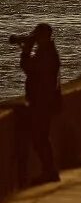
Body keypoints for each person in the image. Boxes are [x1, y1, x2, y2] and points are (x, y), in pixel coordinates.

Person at [18, 24, 61, 184]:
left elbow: (28, 68)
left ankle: (49, 171)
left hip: (42, 102)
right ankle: (49, 171)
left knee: (39, 138)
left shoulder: (46, 54)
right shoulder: (48, 51)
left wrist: (25, 51)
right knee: (41, 137)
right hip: (45, 101)